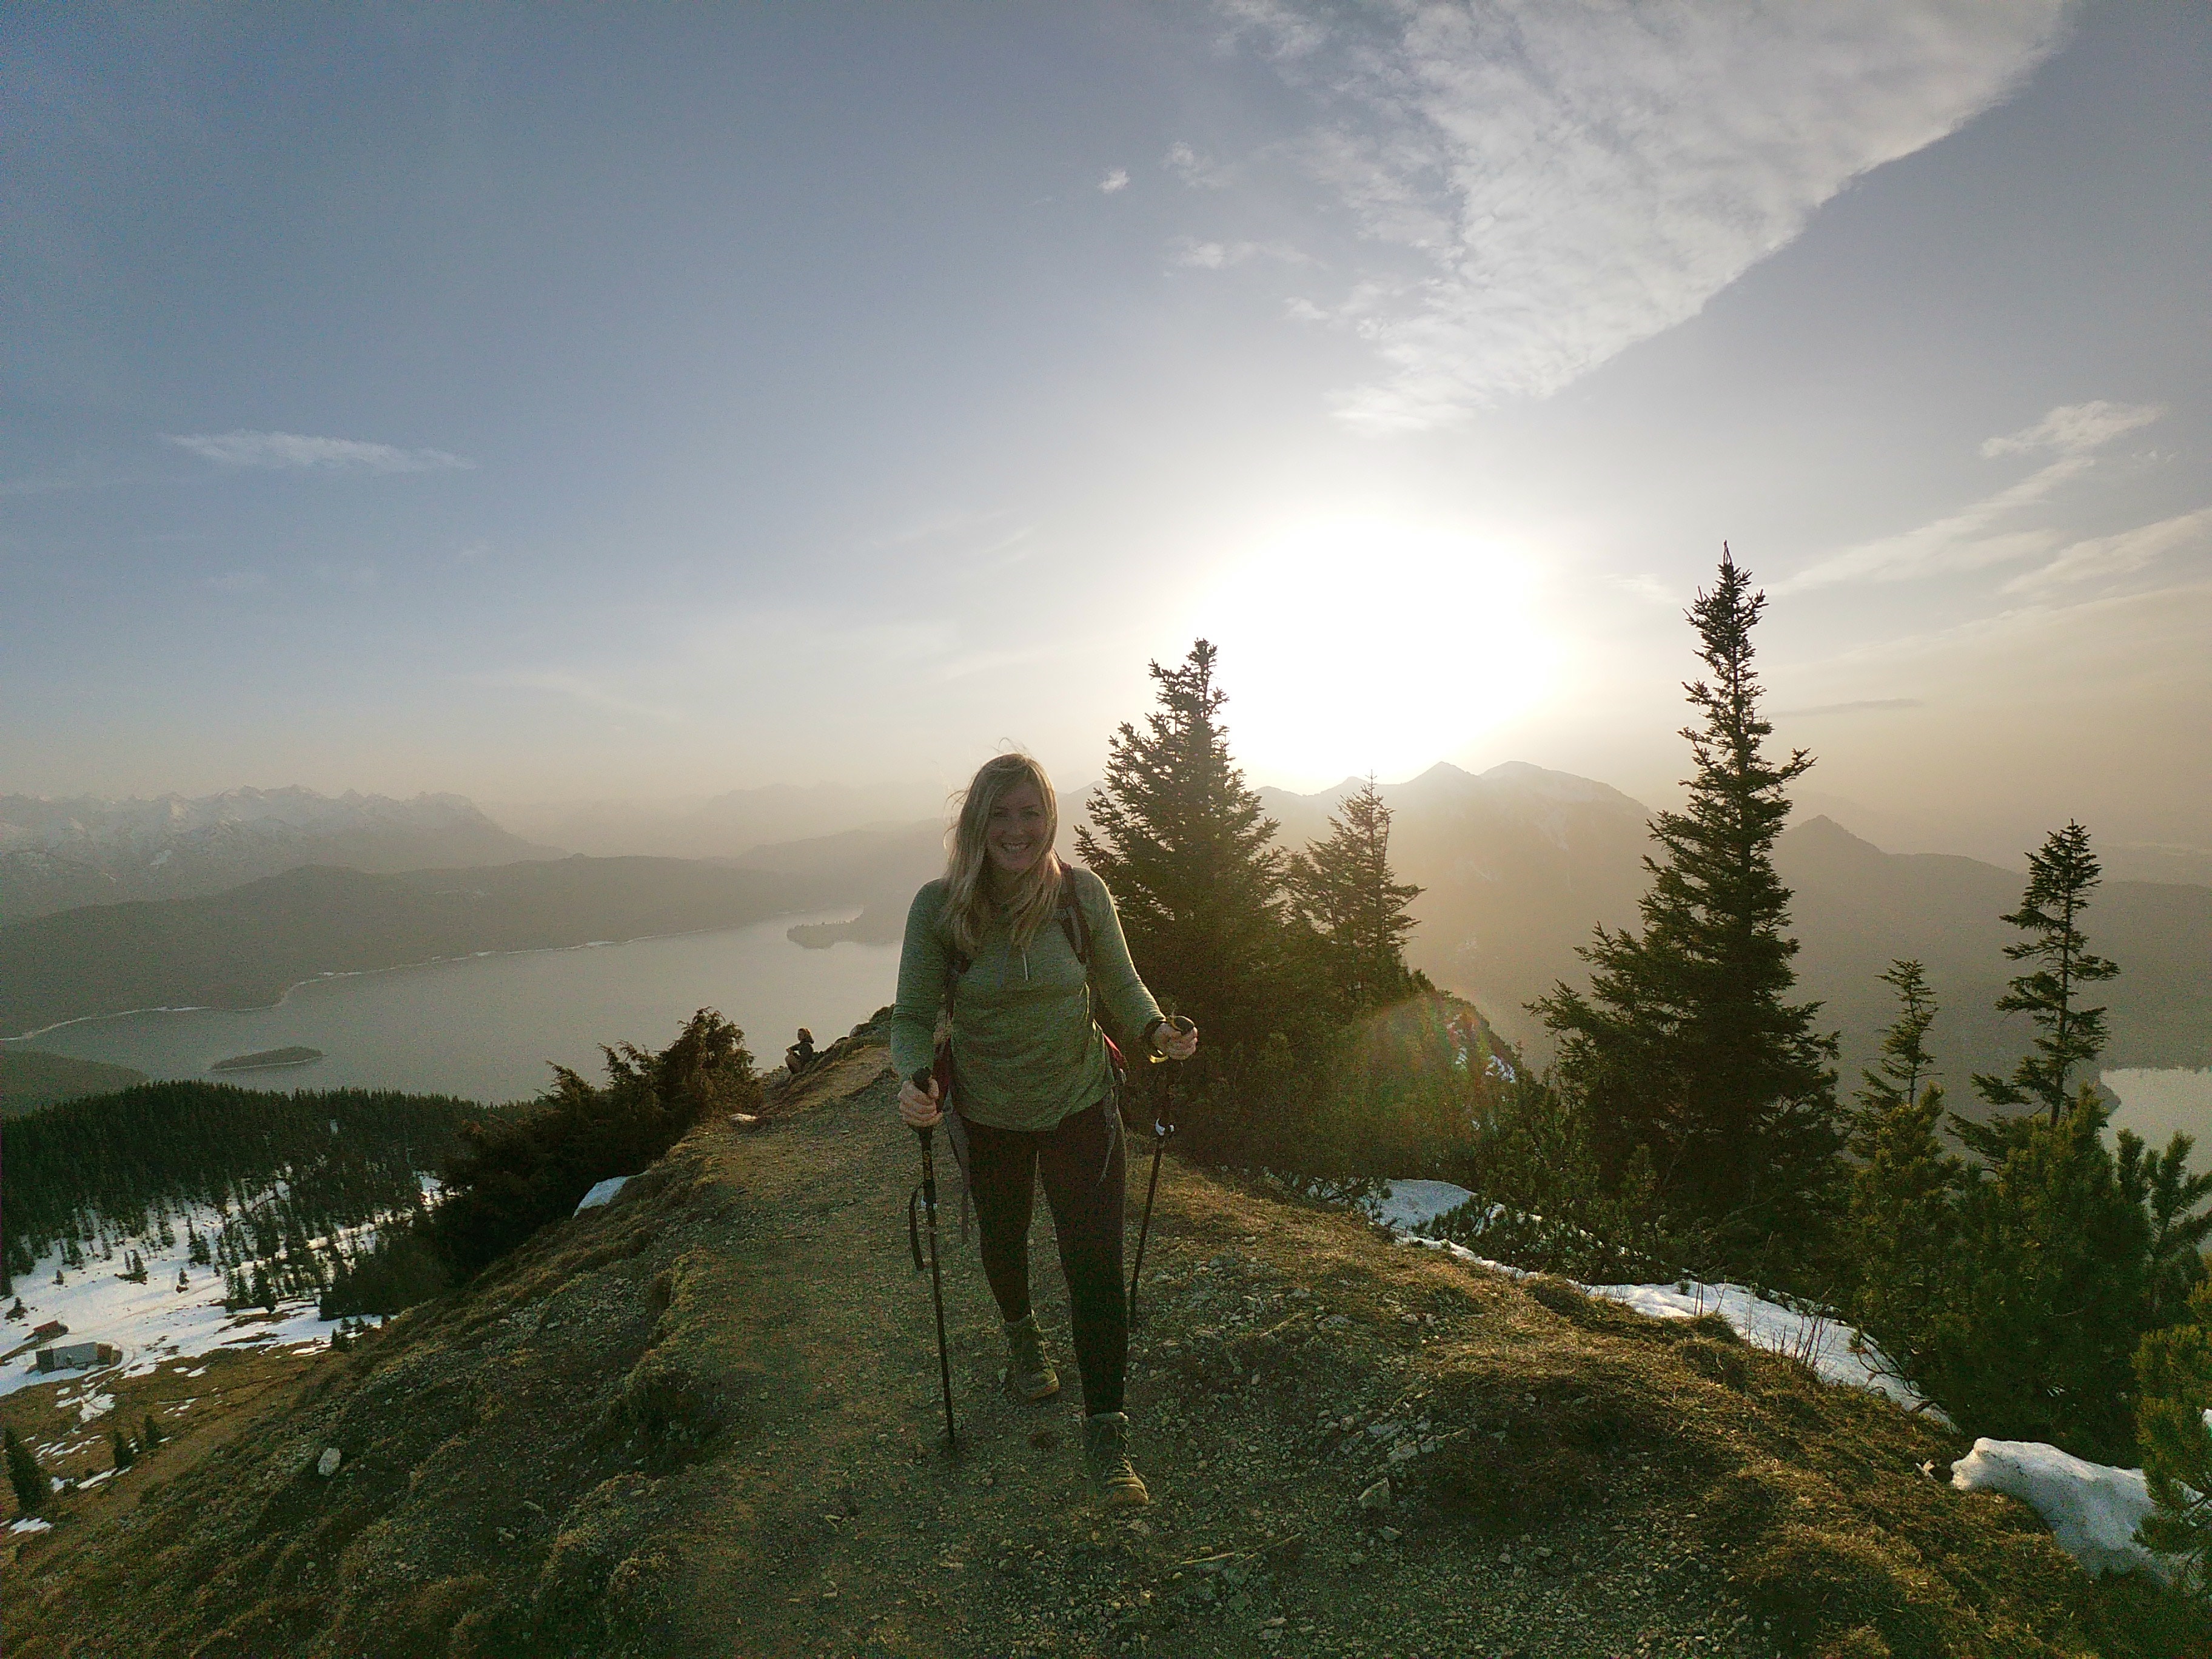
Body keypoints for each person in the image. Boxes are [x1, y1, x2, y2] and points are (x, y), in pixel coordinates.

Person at [892, 752, 1197, 1506]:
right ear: (975, 823)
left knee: (1094, 1262)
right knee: (1003, 1237)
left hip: (1081, 1103)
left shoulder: (1080, 895)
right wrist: (912, 1078)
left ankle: (1107, 1431)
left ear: (1050, 817)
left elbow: (1120, 985)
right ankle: (1024, 1337)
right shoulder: (939, 909)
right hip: (989, 1115)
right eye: (999, 814)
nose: (1016, 830)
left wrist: (1156, 1031)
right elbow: (910, 1017)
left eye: (1030, 813)